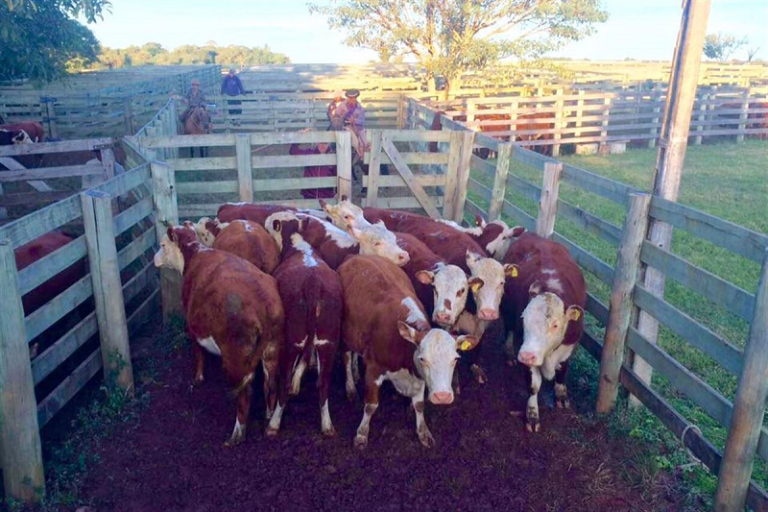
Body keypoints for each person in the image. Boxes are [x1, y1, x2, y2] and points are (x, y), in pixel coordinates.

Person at [290, 128, 337, 200]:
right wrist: (300, 136)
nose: (322, 145)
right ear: (317, 142)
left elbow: (337, 176)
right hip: (309, 195)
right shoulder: (309, 153)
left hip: (326, 196)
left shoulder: (333, 157)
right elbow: (293, 152)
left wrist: (337, 192)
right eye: (320, 142)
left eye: (325, 143)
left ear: (329, 143)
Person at [333, 89, 368, 158]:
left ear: (356, 98)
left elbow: (362, 121)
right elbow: (336, 113)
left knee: (363, 140)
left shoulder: (360, 108)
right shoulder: (342, 105)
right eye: (350, 98)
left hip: (357, 128)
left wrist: (355, 120)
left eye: (353, 98)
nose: (351, 100)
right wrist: (339, 116)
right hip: (344, 126)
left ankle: (361, 152)